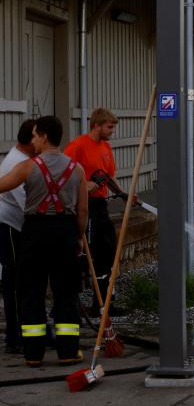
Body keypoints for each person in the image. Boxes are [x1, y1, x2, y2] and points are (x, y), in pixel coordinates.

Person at [0, 115, 88, 366]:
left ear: (45, 136)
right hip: (65, 233)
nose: (34, 140)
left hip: (35, 233)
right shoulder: (77, 169)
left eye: (36, 135)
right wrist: (79, 237)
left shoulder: (28, 167)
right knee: (66, 293)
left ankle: (33, 354)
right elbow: (83, 212)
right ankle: (68, 351)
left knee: (31, 292)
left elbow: (3, 185)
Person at [64, 108, 118, 314]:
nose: (112, 131)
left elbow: (110, 176)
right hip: (85, 206)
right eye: (109, 127)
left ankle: (103, 302)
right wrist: (84, 184)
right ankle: (71, 301)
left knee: (107, 249)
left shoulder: (106, 147)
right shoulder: (78, 146)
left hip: (101, 205)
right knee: (87, 253)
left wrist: (123, 194)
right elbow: (63, 173)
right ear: (97, 125)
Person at [0, 120, 36, 354]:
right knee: (14, 282)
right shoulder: (17, 163)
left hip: (18, 226)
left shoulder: (25, 160)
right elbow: (29, 203)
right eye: (41, 136)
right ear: (32, 141)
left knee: (24, 281)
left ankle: (27, 330)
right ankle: (15, 336)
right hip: (9, 226)